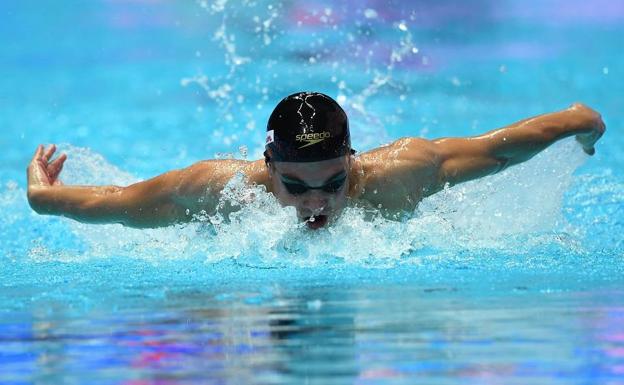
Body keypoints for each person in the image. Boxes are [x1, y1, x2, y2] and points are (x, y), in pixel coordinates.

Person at [27, 92, 605, 230]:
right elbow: (118, 205)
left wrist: (580, 124)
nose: (317, 203)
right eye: (297, 187)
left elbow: (500, 146)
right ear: (267, 166)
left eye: (333, 181)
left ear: (352, 161)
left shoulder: (400, 173)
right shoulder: (221, 189)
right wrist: (44, 197)